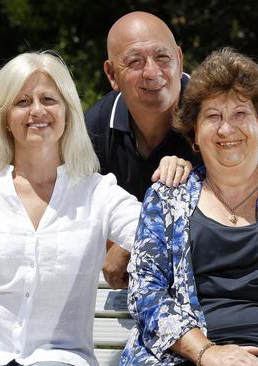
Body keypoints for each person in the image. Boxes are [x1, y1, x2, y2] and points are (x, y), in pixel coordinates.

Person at [120, 48, 258, 366]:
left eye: (240, 114)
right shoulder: (165, 199)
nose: (226, 129)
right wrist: (207, 352)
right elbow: (145, 292)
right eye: (213, 116)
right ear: (194, 133)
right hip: (181, 356)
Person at [0, 52, 142, 366]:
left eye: (49, 99)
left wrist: (179, 175)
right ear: (5, 118)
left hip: (60, 359)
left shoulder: (98, 193)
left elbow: (158, 233)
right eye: (22, 102)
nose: (37, 110)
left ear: (67, 113)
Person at [84, 12, 199, 289]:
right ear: (112, 75)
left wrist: (134, 239)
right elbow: (76, 212)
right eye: (135, 61)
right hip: (124, 293)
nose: (152, 72)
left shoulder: (216, 115)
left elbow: (251, 202)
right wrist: (113, 245)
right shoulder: (95, 127)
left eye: (162, 57)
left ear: (179, 59)